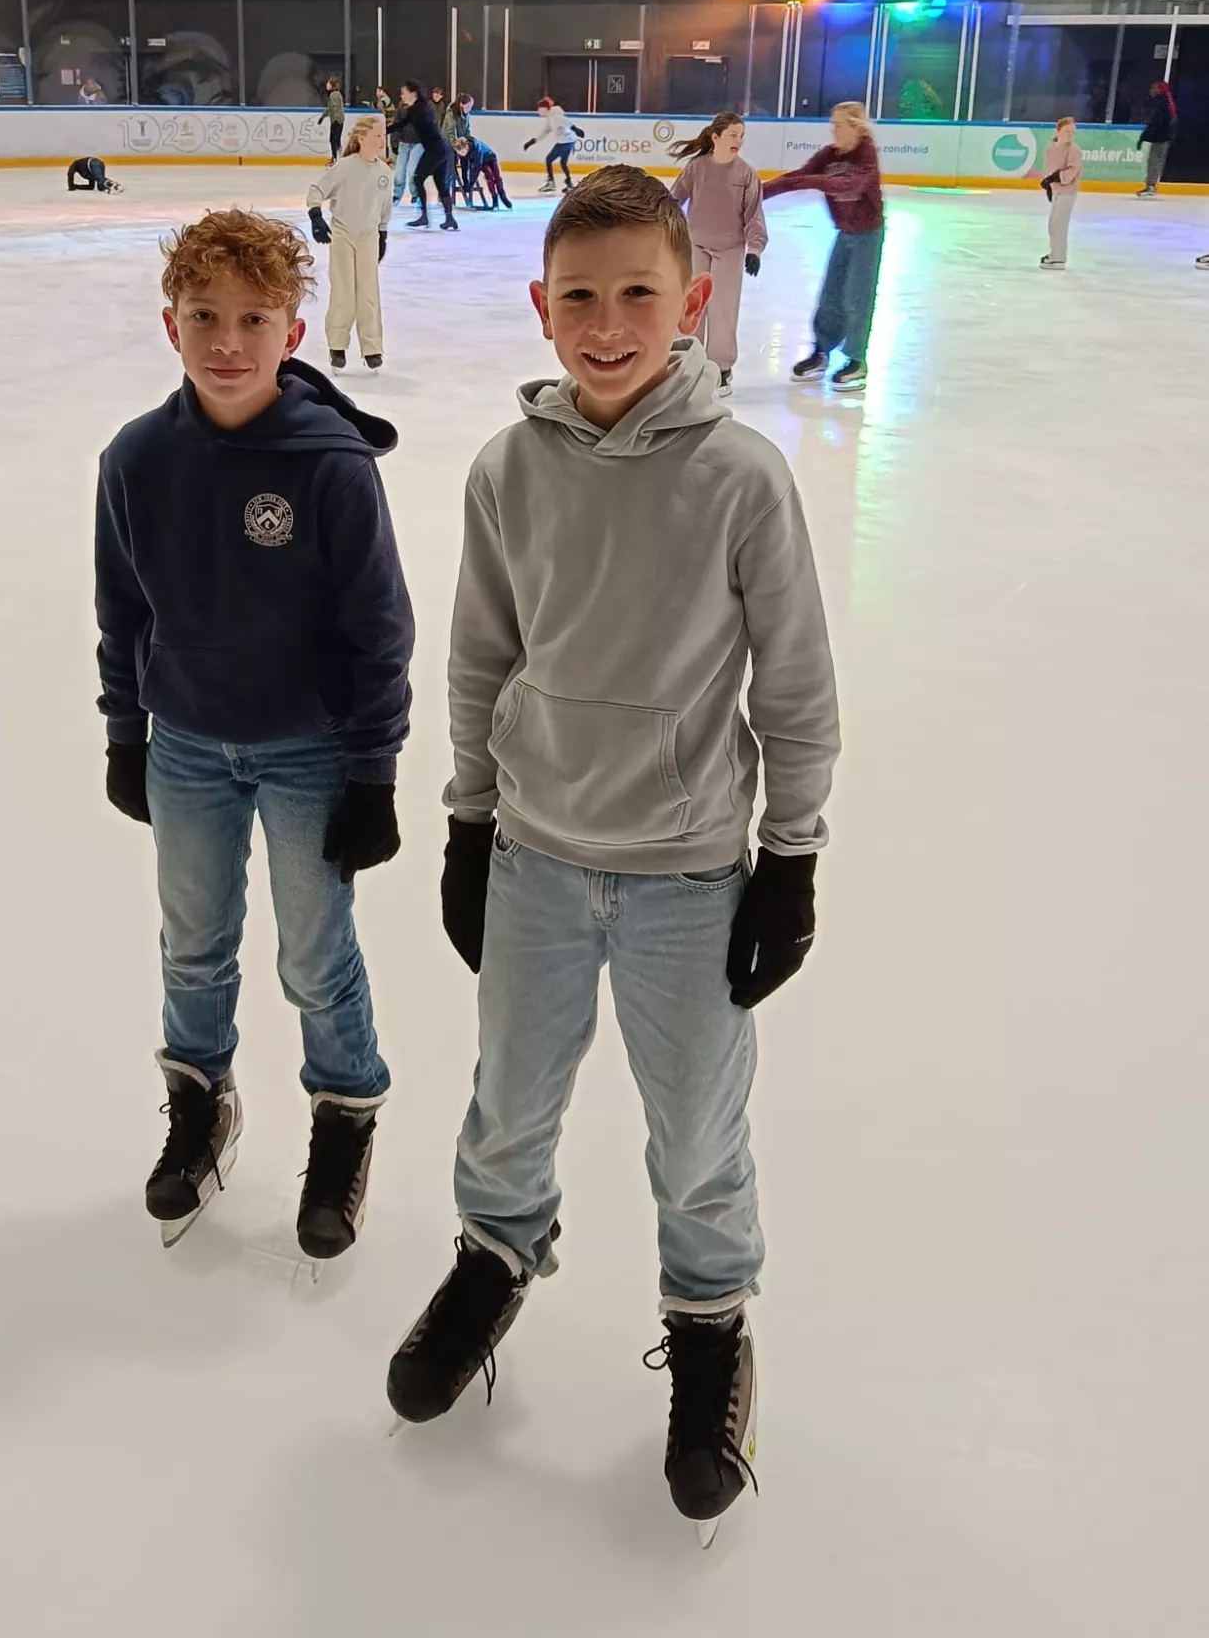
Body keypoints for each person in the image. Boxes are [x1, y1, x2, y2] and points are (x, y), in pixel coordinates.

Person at [385, 165, 839, 1548]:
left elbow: (795, 685)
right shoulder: (506, 470)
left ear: (691, 301)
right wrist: (468, 821)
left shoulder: (740, 478)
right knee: (508, 1099)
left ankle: (709, 1323)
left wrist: (790, 857)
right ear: (541, 305)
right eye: (578, 296)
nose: (606, 323)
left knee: (696, 1130)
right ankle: (494, 1256)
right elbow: (480, 656)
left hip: (687, 876)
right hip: (533, 854)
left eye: (639, 292)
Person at [94, 208, 415, 1259]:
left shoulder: (331, 467)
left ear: (292, 330)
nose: (226, 341)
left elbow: (380, 628)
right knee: (192, 944)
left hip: (308, 751)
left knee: (316, 953)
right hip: (186, 745)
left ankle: (344, 1113)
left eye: (253, 319)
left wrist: (372, 771)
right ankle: (200, 1102)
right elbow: (121, 610)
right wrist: (127, 735)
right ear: (170, 324)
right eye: (204, 316)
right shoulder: (136, 459)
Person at [763, 100, 884, 392]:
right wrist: (756, 194)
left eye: (839, 125)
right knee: (831, 294)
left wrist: (813, 181)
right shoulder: (829, 156)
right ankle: (821, 352)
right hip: (845, 232)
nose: (834, 131)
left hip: (868, 235)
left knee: (857, 296)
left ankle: (857, 360)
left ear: (855, 128)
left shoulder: (866, 154)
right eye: (832, 125)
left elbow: (851, 185)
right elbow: (796, 178)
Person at [668, 113, 769, 394]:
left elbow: (754, 215)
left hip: (730, 250)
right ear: (716, 137)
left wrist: (755, 249)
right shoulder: (697, 168)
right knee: (691, 305)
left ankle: (721, 367)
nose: (739, 140)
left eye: (742, 136)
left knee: (723, 309)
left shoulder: (746, 174)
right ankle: (687, 360)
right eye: (733, 135)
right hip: (695, 246)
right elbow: (674, 200)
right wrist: (663, 231)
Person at [307, 117, 393, 370]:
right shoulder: (344, 167)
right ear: (361, 138)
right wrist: (316, 216)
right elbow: (317, 190)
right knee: (343, 291)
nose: (382, 141)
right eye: (377, 136)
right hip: (343, 235)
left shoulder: (384, 172)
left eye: (383, 135)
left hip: (369, 237)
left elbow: (384, 208)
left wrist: (383, 234)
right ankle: (337, 345)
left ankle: (372, 347)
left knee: (368, 293)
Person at [393, 81, 458, 231]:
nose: (402, 96)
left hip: (434, 149)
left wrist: (382, 131)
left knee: (417, 178)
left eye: (404, 93)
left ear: (413, 93)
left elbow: (401, 123)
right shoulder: (422, 107)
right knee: (440, 183)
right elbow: (402, 123)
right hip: (441, 148)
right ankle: (449, 218)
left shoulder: (418, 108)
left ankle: (425, 216)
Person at [1039, 115, 1083, 268]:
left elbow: (1072, 170)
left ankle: (1059, 258)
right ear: (1057, 132)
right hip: (1057, 191)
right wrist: (1049, 186)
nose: (1070, 135)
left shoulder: (1074, 150)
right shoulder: (1050, 149)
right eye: (1067, 132)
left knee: (1059, 224)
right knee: (1053, 224)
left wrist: (1055, 178)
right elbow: (1049, 169)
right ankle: (1054, 253)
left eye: (1072, 132)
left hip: (1068, 191)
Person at [523, 98, 585, 193]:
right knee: (563, 163)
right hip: (568, 141)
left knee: (549, 160)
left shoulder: (554, 116)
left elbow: (565, 121)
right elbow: (545, 131)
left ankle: (551, 183)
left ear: (545, 108)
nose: (538, 110)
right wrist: (533, 141)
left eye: (539, 108)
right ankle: (569, 184)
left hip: (564, 142)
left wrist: (576, 129)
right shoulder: (550, 117)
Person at [453, 133, 512, 211]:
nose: (462, 155)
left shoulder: (477, 148)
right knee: (489, 176)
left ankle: (502, 196)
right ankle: (495, 199)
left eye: (463, 152)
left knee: (497, 177)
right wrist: (466, 182)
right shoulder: (462, 151)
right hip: (481, 162)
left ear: (467, 147)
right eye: (460, 153)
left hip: (490, 158)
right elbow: (464, 167)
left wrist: (471, 184)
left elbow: (476, 168)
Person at [1137, 80, 1176, 197]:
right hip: (1162, 138)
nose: (1151, 91)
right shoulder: (1163, 103)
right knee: (1155, 161)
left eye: (1153, 88)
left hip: (1161, 138)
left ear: (1159, 90)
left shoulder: (1162, 105)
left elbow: (1156, 124)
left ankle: (1151, 186)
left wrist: (1144, 137)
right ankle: (1151, 185)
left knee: (1154, 161)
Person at [319, 77, 346, 162]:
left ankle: (336, 158)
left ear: (331, 85)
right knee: (335, 140)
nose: (326, 85)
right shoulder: (335, 94)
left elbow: (335, 108)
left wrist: (336, 120)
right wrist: (323, 117)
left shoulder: (334, 94)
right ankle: (337, 157)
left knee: (334, 140)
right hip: (337, 120)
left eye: (328, 83)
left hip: (336, 121)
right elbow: (330, 109)